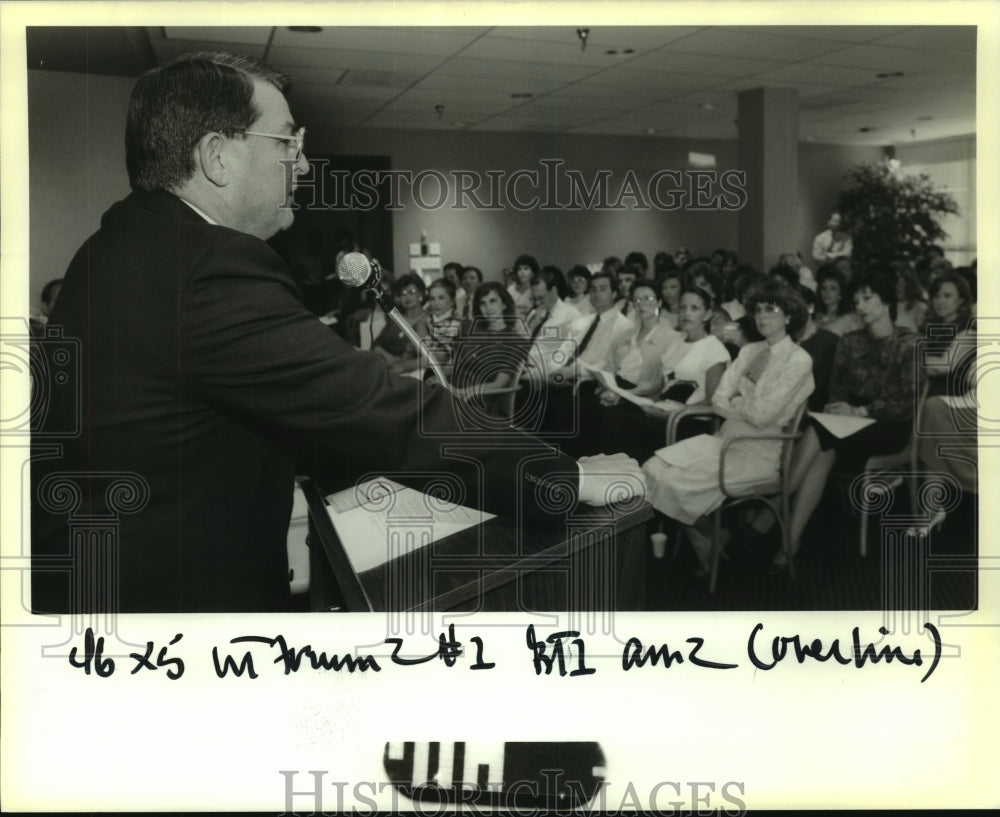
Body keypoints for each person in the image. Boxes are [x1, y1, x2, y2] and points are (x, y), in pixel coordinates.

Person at [30, 51, 641, 614]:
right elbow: (378, 409)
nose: (301, 160)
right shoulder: (205, 266)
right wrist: (566, 478)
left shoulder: (115, 248)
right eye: (285, 140)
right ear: (217, 156)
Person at [642, 281, 814, 574]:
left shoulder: (799, 360)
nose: (762, 317)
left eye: (771, 310)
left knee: (674, 484)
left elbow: (762, 415)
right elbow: (719, 399)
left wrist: (738, 402)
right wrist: (740, 404)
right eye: (758, 310)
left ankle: (705, 543)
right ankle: (710, 537)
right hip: (723, 439)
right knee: (651, 469)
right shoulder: (748, 352)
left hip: (756, 452)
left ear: (788, 316)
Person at [783, 270, 920, 571]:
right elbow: (837, 390)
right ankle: (789, 541)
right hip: (846, 424)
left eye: (868, 298)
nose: (860, 305)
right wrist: (843, 408)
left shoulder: (909, 344)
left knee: (820, 431)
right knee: (823, 447)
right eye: (856, 299)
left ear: (886, 302)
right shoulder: (850, 341)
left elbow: (903, 404)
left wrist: (859, 411)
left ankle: (777, 499)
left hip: (889, 428)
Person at [371, 273, 429, 375]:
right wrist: (387, 357)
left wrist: (404, 365)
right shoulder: (395, 318)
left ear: (421, 295)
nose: (407, 297)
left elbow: (429, 357)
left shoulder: (428, 320)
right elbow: (376, 344)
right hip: (386, 367)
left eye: (412, 292)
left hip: (412, 372)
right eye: (403, 293)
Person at [421, 277, 464, 373]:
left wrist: (407, 365)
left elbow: (443, 356)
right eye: (432, 299)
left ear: (452, 301)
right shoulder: (426, 320)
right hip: (424, 365)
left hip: (445, 371)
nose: (436, 303)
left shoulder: (457, 323)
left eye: (441, 298)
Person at [814, 264, 862, 336]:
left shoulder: (850, 319)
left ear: (841, 293)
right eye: (824, 288)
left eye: (833, 288)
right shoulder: (815, 318)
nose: (827, 292)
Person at [507, 253, 538, 319]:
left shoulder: (537, 289)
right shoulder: (510, 289)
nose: (522, 272)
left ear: (533, 272)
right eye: (519, 269)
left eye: (526, 268)